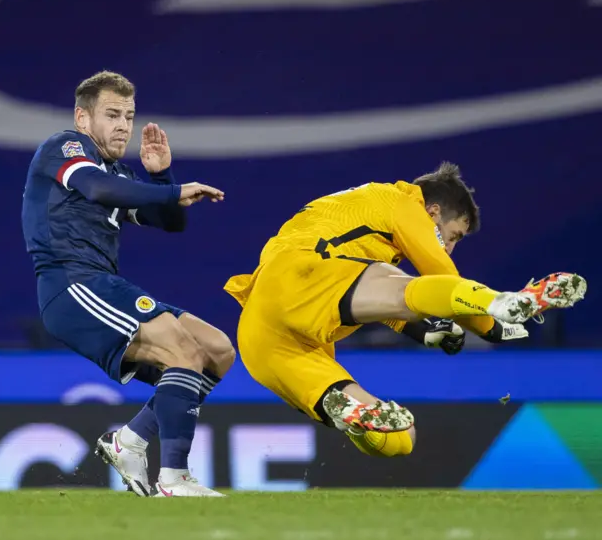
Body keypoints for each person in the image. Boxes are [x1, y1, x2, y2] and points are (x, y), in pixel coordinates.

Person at [224, 164, 586, 458]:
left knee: (399, 437)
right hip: (299, 275)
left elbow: (369, 299)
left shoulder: (361, 225)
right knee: (401, 281)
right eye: (455, 235)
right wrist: (491, 323)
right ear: (433, 211)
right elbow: (440, 273)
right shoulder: (402, 201)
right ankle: (503, 301)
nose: (452, 247)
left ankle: (348, 415)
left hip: (262, 332)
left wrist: (423, 333)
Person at [22, 70, 234, 497]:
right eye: (112, 114)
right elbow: (98, 190)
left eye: (129, 116)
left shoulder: (117, 170)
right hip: (72, 284)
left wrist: (161, 178)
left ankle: (130, 441)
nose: (123, 126)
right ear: (83, 119)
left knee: (216, 351)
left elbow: (169, 223)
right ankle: (174, 478)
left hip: (100, 282)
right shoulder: (65, 147)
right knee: (179, 347)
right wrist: (175, 191)